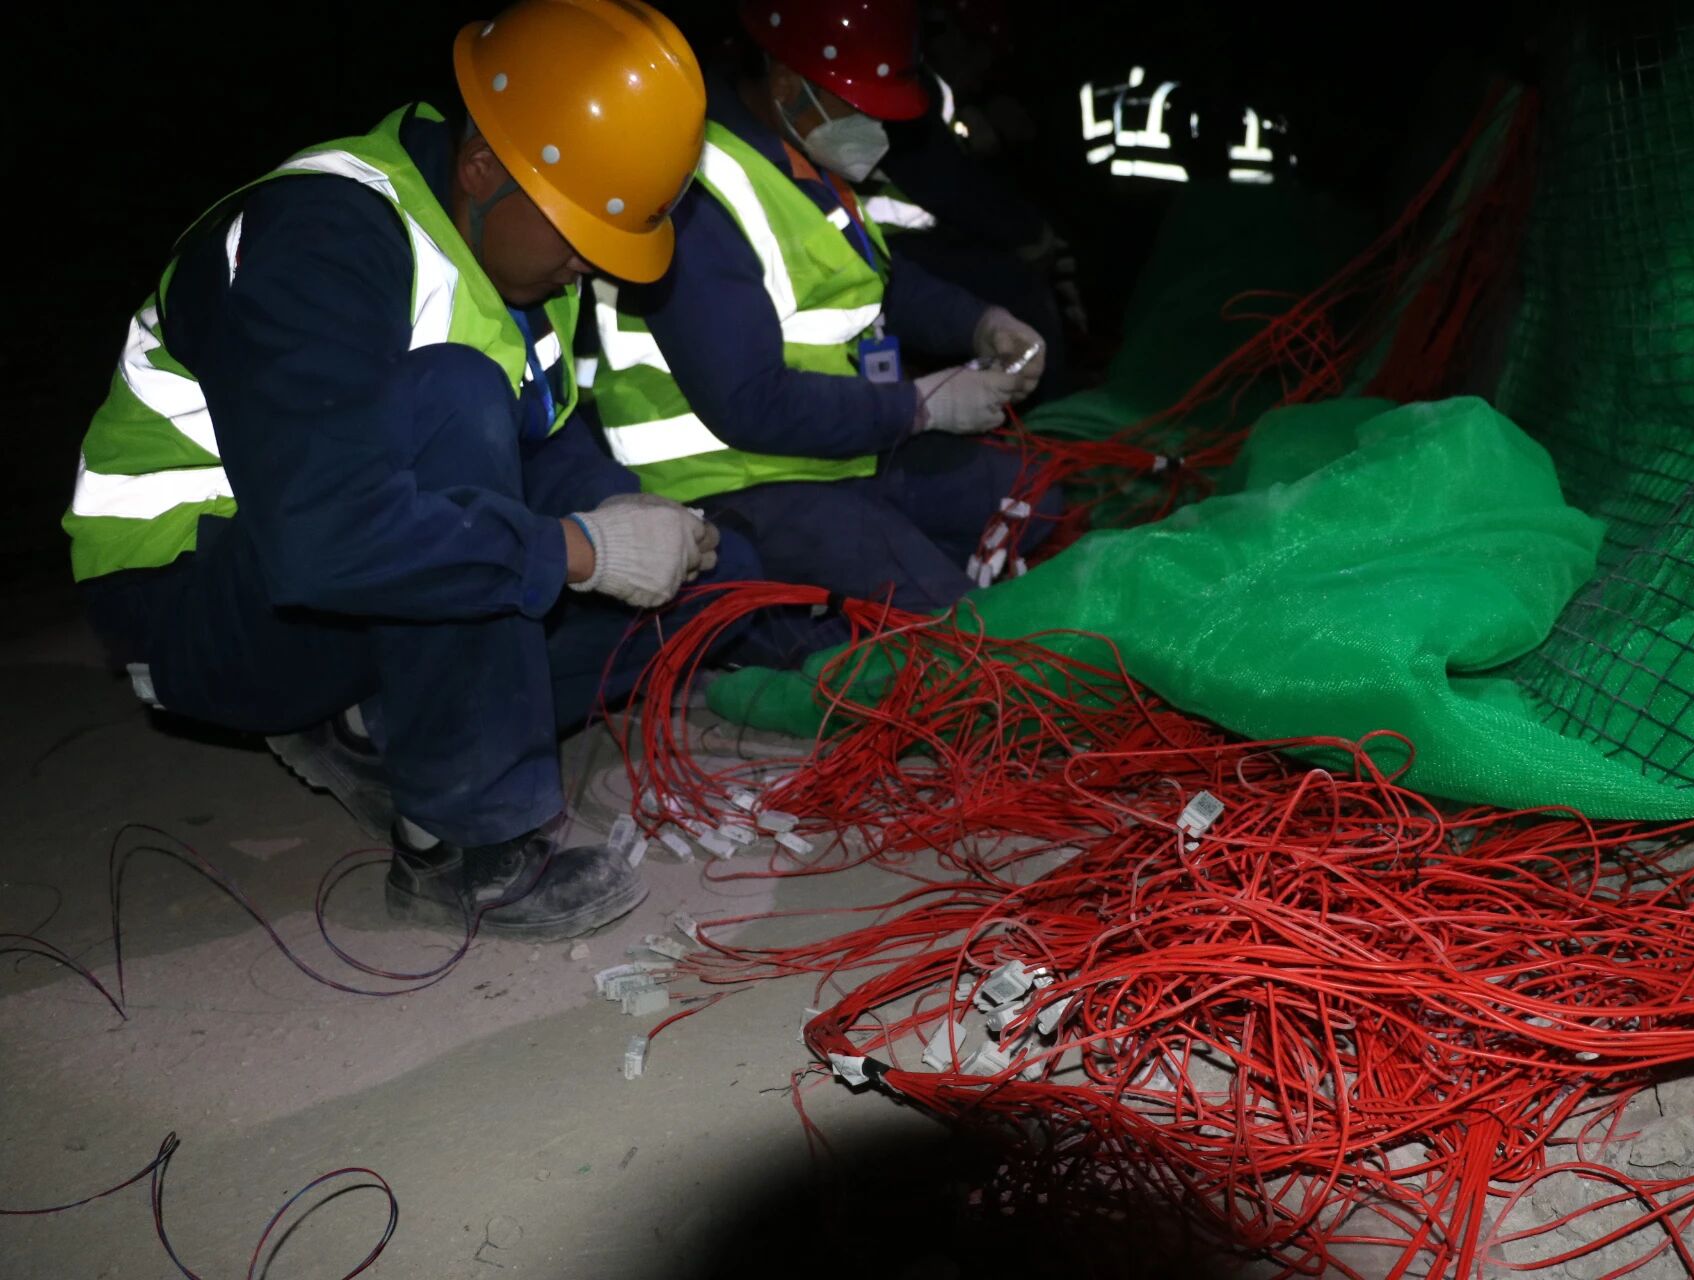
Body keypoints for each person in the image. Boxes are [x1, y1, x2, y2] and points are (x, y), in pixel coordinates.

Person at [60, 0, 769, 941]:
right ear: (482, 168)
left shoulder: (513, 257)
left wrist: (635, 518)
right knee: (458, 401)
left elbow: (540, 450)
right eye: (577, 234)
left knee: (710, 579)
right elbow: (328, 539)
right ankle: (461, 849)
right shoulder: (320, 236)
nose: (586, 265)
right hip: (198, 597)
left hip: (343, 573)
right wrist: (583, 549)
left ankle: (374, 725)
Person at [589, 0, 1059, 617]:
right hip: (739, 483)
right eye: (859, 106)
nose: (877, 127)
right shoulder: (699, 196)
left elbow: (879, 282)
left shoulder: (801, 163)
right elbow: (751, 405)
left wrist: (980, 323)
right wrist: (920, 407)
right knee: (947, 622)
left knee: (1035, 499)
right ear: (787, 84)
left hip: (839, 449)